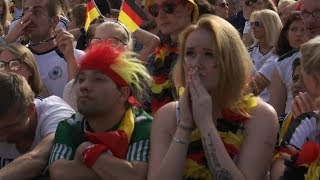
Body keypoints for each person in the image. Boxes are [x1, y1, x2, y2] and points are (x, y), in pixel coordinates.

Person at [148, 15, 278, 180]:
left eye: (209, 54)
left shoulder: (260, 116)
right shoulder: (168, 115)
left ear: (230, 61)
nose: (196, 63)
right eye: (190, 53)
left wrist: (205, 124)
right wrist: (185, 126)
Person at [49, 41, 153, 179]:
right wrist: (113, 170)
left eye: (98, 79)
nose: (84, 86)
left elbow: (135, 176)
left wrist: (88, 150)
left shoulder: (143, 125)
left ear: (123, 94)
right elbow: (58, 173)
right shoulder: (69, 125)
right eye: (81, 79)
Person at [0, 71, 74, 179]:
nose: (1, 136)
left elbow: (38, 158)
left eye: (9, 127)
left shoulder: (56, 113)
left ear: (30, 110)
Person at [271, 36, 320, 180]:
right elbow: (278, 172)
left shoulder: (306, 120)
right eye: (295, 78)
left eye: (303, 78)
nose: (297, 85)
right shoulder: (295, 119)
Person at [21, 0, 84, 98]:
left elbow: (79, 102)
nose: (29, 18)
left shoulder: (77, 57)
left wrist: (71, 58)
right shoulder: (15, 59)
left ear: (54, 21)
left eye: (37, 12)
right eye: (25, 12)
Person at [146, 0, 199, 114]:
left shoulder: (209, 51)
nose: (160, 15)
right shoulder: (154, 60)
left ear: (188, 8)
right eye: (154, 9)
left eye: (168, 7)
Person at [269, 11, 306, 117]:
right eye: (294, 29)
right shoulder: (280, 63)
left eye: (303, 29)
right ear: (286, 33)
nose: (298, 34)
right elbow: (276, 111)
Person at [248, 9, 282, 102]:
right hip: (250, 102)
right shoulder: (249, 52)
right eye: (252, 24)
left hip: (271, 106)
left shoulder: (281, 54)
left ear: (270, 25)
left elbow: (255, 88)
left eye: (257, 24)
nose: (253, 27)